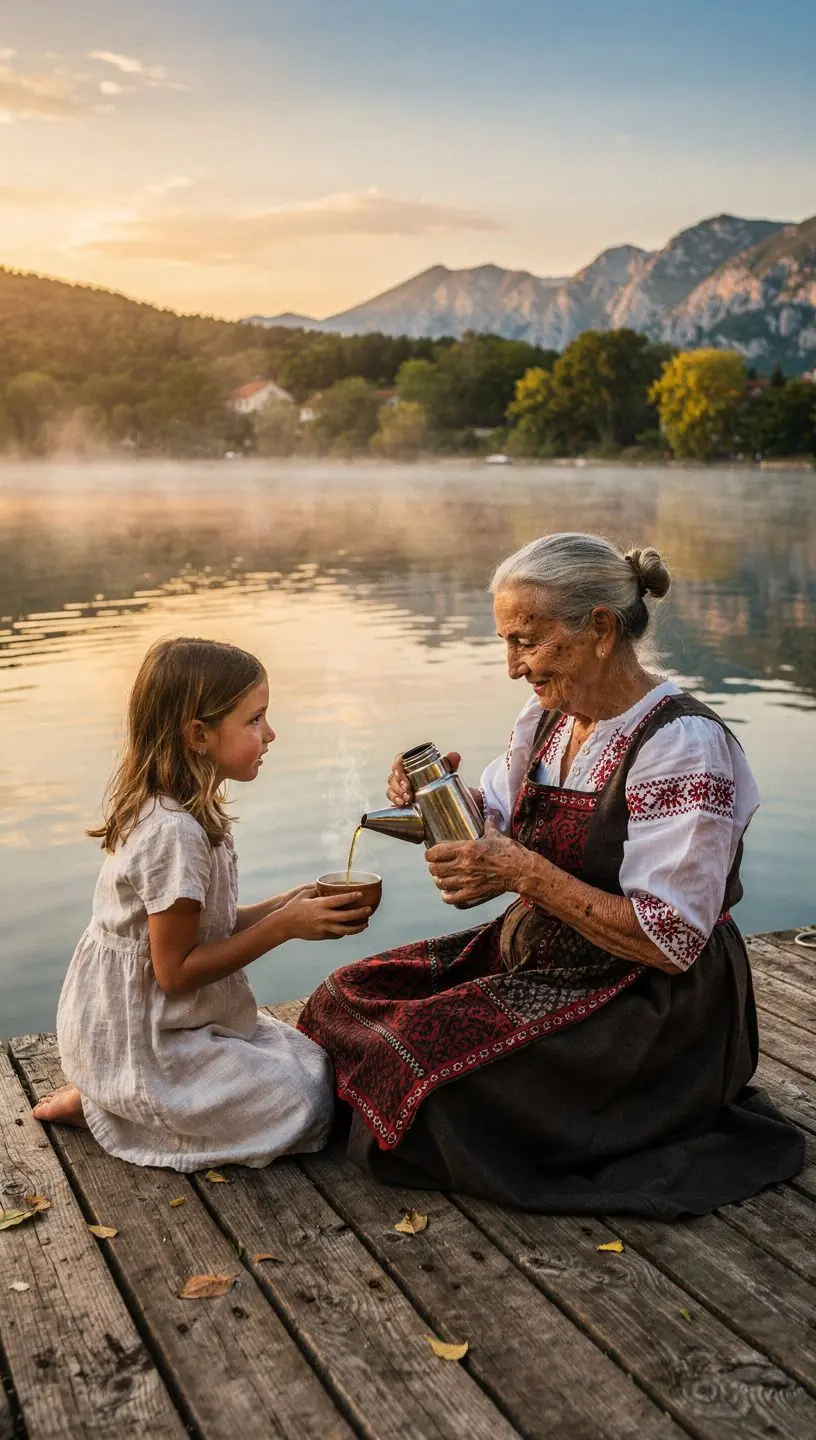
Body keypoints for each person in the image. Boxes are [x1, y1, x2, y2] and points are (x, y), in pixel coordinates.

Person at [299, 534, 804, 1217]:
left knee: (421, 1066)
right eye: (507, 641)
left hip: (648, 1006)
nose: (512, 666)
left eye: (526, 642)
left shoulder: (683, 746)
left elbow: (670, 942)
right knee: (343, 996)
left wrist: (523, 875)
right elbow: (498, 822)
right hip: (542, 957)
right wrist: (439, 800)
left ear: (599, 628)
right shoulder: (546, 716)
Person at [33, 637, 371, 1170]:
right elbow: (176, 971)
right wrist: (283, 928)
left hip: (162, 1021)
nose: (271, 733)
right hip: (146, 1038)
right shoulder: (174, 833)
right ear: (198, 735)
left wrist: (287, 903)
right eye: (255, 720)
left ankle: (116, 1094)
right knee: (308, 1104)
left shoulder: (186, 810)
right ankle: (115, 1107)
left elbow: (200, 925)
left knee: (312, 1062)